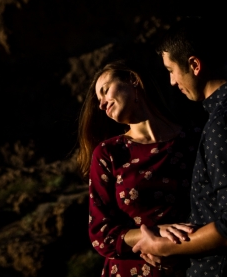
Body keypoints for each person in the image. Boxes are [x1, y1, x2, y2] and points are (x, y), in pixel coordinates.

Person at [132, 18, 227, 276]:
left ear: (194, 64)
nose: (171, 81)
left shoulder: (224, 122)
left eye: (171, 70)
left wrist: (162, 246)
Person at [78, 59, 201, 276]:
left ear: (133, 80)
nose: (101, 103)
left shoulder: (194, 140)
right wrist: (152, 233)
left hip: (191, 267)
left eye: (105, 91)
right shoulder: (109, 153)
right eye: (99, 99)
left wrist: (178, 248)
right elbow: (100, 235)